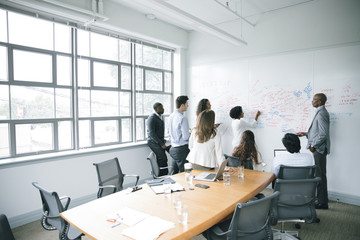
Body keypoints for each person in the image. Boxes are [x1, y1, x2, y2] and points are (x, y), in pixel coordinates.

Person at [298, 93, 330, 210]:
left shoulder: (321, 114)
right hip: (319, 148)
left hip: (319, 149)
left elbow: (323, 134)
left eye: (314, 100)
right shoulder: (320, 112)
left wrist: (313, 144)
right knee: (320, 174)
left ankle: (322, 203)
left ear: (320, 102)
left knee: (319, 175)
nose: (312, 101)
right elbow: (318, 132)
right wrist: (306, 134)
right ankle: (322, 200)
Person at [168, 96, 191, 174]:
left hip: (173, 149)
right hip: (182, 150)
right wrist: (192, 133)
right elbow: (185, 137)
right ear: (182, 105)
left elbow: (168, 133)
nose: (188, 105)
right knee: (187, 173)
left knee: (173, 173)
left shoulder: (170, 116)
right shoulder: (183, 118)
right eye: (187, 103)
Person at [146, 102, 169, 176]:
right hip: (153, 142)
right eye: (161, 108)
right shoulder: (152, 118)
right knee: (162, 158)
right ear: (156, 110)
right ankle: (162, 176)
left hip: (158, 141)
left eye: (163, 107)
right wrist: (161, 143)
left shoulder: (160, 116)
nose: (163, 109)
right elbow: (152, 133)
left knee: (162, 159)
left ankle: (164, 175)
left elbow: (158, 130)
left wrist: (162, 139)